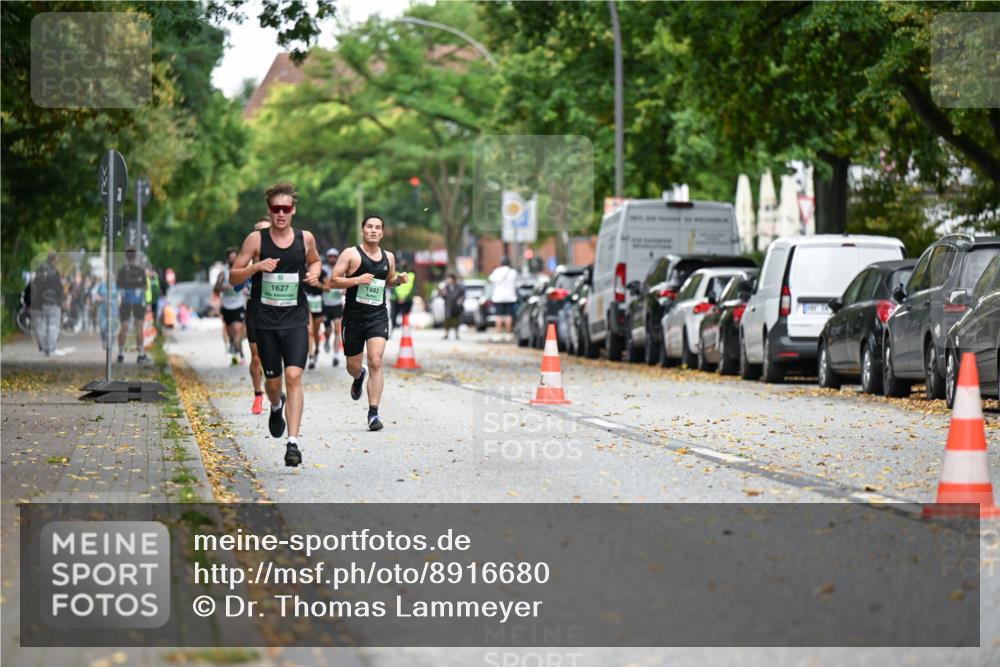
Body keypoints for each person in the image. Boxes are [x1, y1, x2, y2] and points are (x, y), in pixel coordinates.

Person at [229, 184, 321, 467]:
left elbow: (314, 261)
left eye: (286, 209)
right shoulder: (256, 240)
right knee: (273, 381)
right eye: (276, 209)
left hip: (294, 318)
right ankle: (275, 404)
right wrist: (255, 268)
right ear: (269, 210)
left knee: (294, 376)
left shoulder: (305, 239)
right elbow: (234, 277)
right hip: (265, 321)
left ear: (293, 210)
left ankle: (292, 443)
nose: (281, 214)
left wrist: (314, 275)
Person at [327, 215, 408, 431]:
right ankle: (358, 376)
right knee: (353, 366)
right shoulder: (351, 254)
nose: (373, 230)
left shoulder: (388, 257)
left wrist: (398, 280)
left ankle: (373, 414)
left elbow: (387, 281)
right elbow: (333, 281)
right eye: (369, 227)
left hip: (377, 316)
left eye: (378, 227)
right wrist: (356, 280)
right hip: (353, 318)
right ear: (363, 230)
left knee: (376, 361)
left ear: (382, 233)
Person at [244, 218, 271, 414]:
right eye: (260, 232)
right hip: (255, 310)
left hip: (276, 311)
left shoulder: (280, 257)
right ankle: (258, 394)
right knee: (256, 357)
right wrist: (254, 268)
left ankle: (275, 390)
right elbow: (234, 280)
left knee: (273, 356)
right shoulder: (249, 257)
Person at [214, 247, 248, 366]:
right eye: (231, 258)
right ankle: (236, 352)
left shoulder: (242, 270)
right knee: (231, 333)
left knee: (237, 330)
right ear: (228, 259)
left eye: (235, 257)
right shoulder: (223, 273)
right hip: (227, 307)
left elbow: (248, 284)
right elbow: (215, 288)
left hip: (239, 305)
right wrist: (224, 288)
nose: (233, 260)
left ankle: (240, 355)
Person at [117, 247, 149, 364]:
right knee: (139, 328)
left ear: (126, 256)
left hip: (125, 302)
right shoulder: (140, 271)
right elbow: (145, 287)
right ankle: (141, 355)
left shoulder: (121, 271)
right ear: (135, 257)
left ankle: (120, 354)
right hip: (138, 302)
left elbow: (118, 288)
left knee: (124, 327)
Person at [31, 252, 64, 355]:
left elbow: (35, 285)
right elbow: (58, 288)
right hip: (53, 302)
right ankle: (51, 349)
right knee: (53, 326)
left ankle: (44, 348)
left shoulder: (39, 270)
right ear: (54, 260)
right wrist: (62, 298)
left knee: (44, 326)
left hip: (41, 302)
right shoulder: (54, 272)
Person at [321, 248, 344, 367]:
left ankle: (335, 355)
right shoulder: (323, 270)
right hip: (325, 304)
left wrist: (344, 290)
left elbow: (345, 284)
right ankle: (326, 340)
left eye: (335, 256)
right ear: (327, 257)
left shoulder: (341, 270)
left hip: (337, 305)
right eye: (330, 256)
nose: (332, 258)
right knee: (328, 331)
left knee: (337, 330)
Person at [304, 254, 326, 370]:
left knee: (316, 332)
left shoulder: (322, 273)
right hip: (307, 304)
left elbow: (328, 287)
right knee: (310, 332)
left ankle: (317, 347)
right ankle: (311, 356)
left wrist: (318, 284)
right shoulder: (302, 272)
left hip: (318, 305)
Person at [488, 256, 518, 339]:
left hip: (498, 297)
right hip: (510, 296)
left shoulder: (497, 271)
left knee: (498, 316)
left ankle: (499, 333)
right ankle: (508, 333)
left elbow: (491, 279)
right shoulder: (513, 272)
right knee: (509, 315)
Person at [391, 260, 416, 330]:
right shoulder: (395, 274)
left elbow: (413, 288)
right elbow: (392, 287)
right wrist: (399, 297)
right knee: (394, 315)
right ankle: (392, 328)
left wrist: (403, 298)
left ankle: (405, 329)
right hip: (397, 299)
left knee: (405, 316)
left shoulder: (412, 275)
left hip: (406, 299)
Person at [439, 274, 465, 340]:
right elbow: (443, 296)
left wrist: (461, 300)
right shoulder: (446, 287)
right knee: (447, 320)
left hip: (456, 306)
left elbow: (463, 295)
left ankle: (457, 334)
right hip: (448, 306)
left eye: (449, 279)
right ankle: (446, 334)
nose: (448, 280)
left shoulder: (459, 287)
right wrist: (443, 294)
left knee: (456, 320)